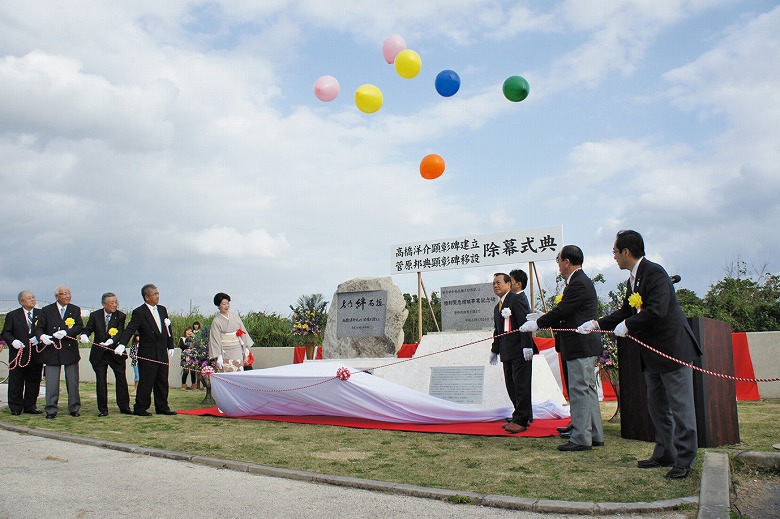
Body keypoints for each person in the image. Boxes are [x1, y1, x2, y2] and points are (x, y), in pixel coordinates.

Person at [578, 230, 702, 479]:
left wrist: (630, 325)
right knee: (657, 408)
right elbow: (625, 311)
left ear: (626, 252)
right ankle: (665, 452)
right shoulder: (632, 280)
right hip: (652, 355)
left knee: (681, 408)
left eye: (614, 251)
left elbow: (657, 310)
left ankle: (685, 459)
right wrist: (596, 324)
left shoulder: (655, 273)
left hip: (672, 350)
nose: (613, 257)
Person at [520, 245, 604, 451]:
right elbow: (567, 314)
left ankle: (581, 438)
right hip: (579, 344)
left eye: (559, 260)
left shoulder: (579, 283)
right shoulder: (576, 282)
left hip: (580, 344)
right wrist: (544, 318)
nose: (558, 264)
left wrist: (539, 323)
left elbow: (564, 310)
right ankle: (592, 433)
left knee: (580, 390)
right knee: (587, 390)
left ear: (567, 261)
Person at [115, 284, 176, 416]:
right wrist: (121, 344)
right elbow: (130, 328)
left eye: (158, 293)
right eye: (154, 294)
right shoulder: (139, 312)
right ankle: (141, 408)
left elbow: (167, 329)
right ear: (146, 297)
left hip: (161, 352)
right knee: (146, 381)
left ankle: (162, 406)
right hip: (148, 352)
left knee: (162, 381)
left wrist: (170, 345)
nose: (157, 296)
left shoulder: (162, 309)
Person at [489, 273, 537, 433]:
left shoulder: (517, 299)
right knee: (511, 385)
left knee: (521, 385)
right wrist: (494, 350)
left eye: (499, 282)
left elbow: (526, 323)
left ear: (509, 284)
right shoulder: (498, 307)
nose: (495, 285)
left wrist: (527, 346)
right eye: (493, 283)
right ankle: (520, 414)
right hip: (506, 352)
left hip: (520, 351)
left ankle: (521, 420)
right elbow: (498, 330)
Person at [35, 285, 84, 419]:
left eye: (69, 293)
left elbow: (79, 326)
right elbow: (39, 328)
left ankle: (74, 407)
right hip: (52, 350)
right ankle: (51, 409)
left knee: (73, 381)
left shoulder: (74, 309)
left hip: (69, 350)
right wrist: (42, 337)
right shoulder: (46, 310)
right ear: (57, 296)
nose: (68, 296)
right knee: (51, 382)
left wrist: (66, 332)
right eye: (64, 294)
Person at [80, 292, 132, 416]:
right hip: (99, 354)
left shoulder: (120, 316)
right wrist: (84, 335)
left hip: (115, 353)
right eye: (112, 303)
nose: (115, 305)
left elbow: (120, 332)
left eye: (116, 302)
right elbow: (88, 329)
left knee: (121, 380)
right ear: (104, 304)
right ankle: (103, 409)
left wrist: (112, 341)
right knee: (101, 381)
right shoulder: (95, 316)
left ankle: (124, 407)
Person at [1, 290, 44, 415]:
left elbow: (45, 329)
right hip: (18, 354)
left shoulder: (41, 314)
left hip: (36, 353)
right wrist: (13, 341)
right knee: (16, 381)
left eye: (33, 297)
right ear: (21, 301)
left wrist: (39, 337)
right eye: (29, 298)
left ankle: (30, 406)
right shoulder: (13, 315)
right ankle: (15, 407)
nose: (32, 299)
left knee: (34, 380)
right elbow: (6, 332)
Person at [209, 293, 254, 373]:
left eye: (228, 303)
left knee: (239, 370)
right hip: (225, 351)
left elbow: (243, 331)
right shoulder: (216, 321)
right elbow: (215, 339)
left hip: (237, 349)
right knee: (227, 372)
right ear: (218, 306)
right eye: (224, 304)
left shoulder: (235, 317)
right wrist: (218, 356)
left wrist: (246, 348)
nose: (227, 305)